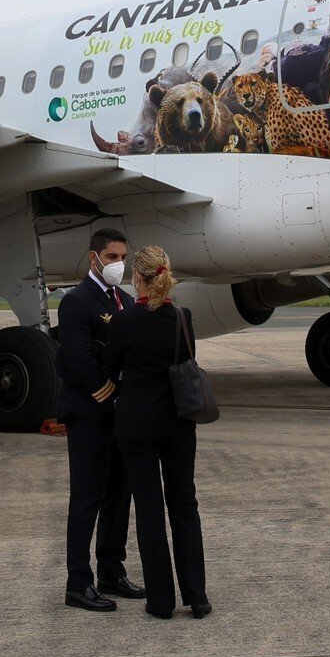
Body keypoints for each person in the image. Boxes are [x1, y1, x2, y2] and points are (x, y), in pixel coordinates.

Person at [100, 246, 210, 619]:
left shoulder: (123, 321)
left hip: (136, 426)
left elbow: (110, 368)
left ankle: (161, 601)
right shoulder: (182, 317)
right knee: (185, 505)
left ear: (138, 278)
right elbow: (187, 360)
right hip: (178, 423)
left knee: (149, 509)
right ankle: (197, 596)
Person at [55, 228, 143, 611]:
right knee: (87, 497)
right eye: (111, 257)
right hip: (89, 413)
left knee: (119, 495)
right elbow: (78, 358)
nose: (118, 264)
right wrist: (109, 391)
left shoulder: (124, 300)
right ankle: (78, 582)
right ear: (94, 258)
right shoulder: (76, 302)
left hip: (120, 416)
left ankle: (111, 569)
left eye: (122, 257)